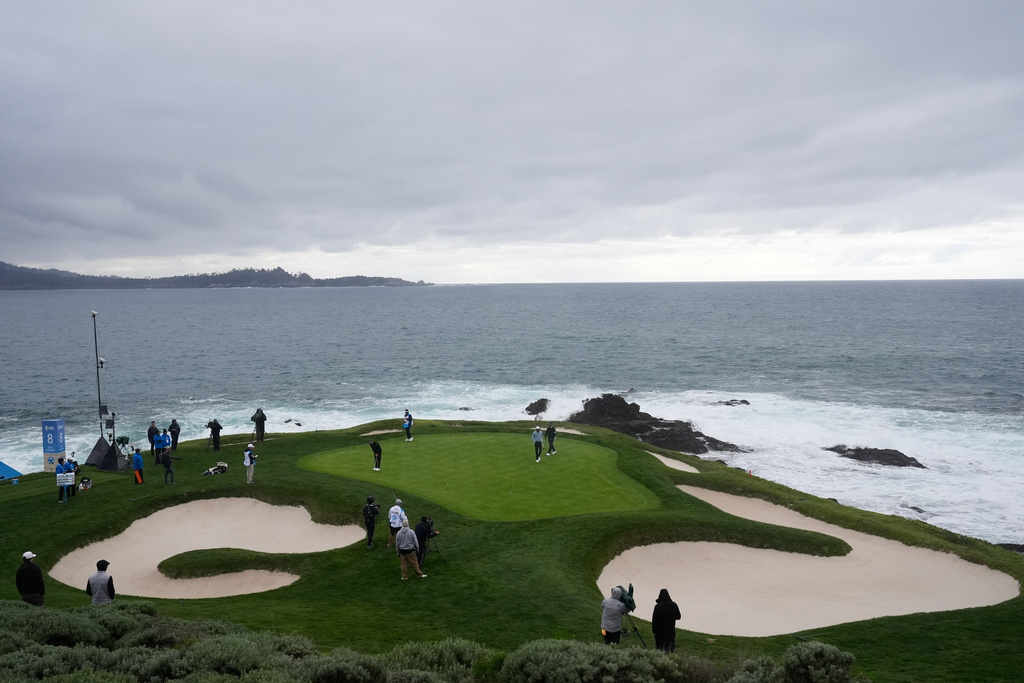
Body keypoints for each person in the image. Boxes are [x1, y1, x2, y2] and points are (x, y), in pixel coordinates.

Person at [651, 588, 681, 652]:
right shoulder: (674, 605)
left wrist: (654, 631)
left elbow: (655, 621)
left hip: (660, 633)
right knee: (670, 651)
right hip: (670, 632)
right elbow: (678, 617)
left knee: (660, 650)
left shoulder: (658, 606)